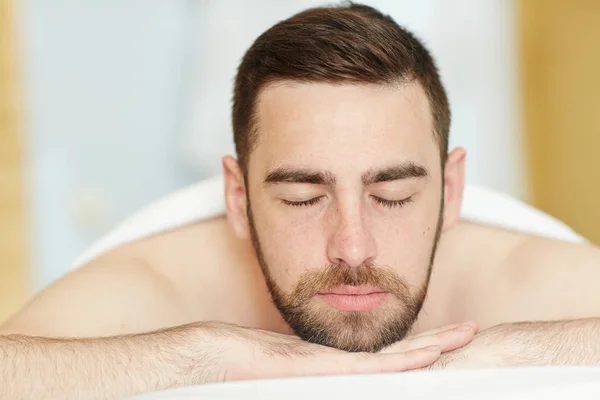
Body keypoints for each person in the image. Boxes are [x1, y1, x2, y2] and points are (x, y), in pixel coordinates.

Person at [2, 3, 600, 399]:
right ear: (238, 197)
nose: (352, 247)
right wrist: (209, 356)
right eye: (302, 197)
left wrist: (517, 356)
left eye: (392, 195)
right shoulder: (165, 286)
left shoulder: (515, 281)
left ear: (451, 191)